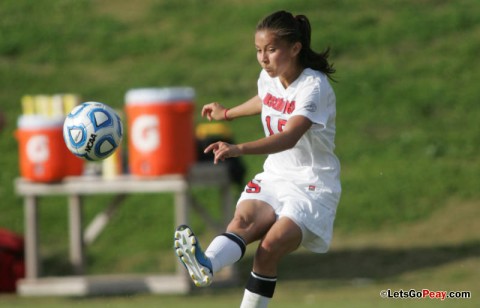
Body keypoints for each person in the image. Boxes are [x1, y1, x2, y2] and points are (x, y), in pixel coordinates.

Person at [174, 10, 341, 308]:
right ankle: (206, 265)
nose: (263, 58)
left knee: (268, 249)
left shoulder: (313, 87)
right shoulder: (270, 77)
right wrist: (227, 113)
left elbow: (289, 137)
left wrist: (239, 149)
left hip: (312, 185)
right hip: (276, 175)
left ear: (295, 48)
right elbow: (266, 98)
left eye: (271, 50)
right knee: (241, 221)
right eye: (259, 51)